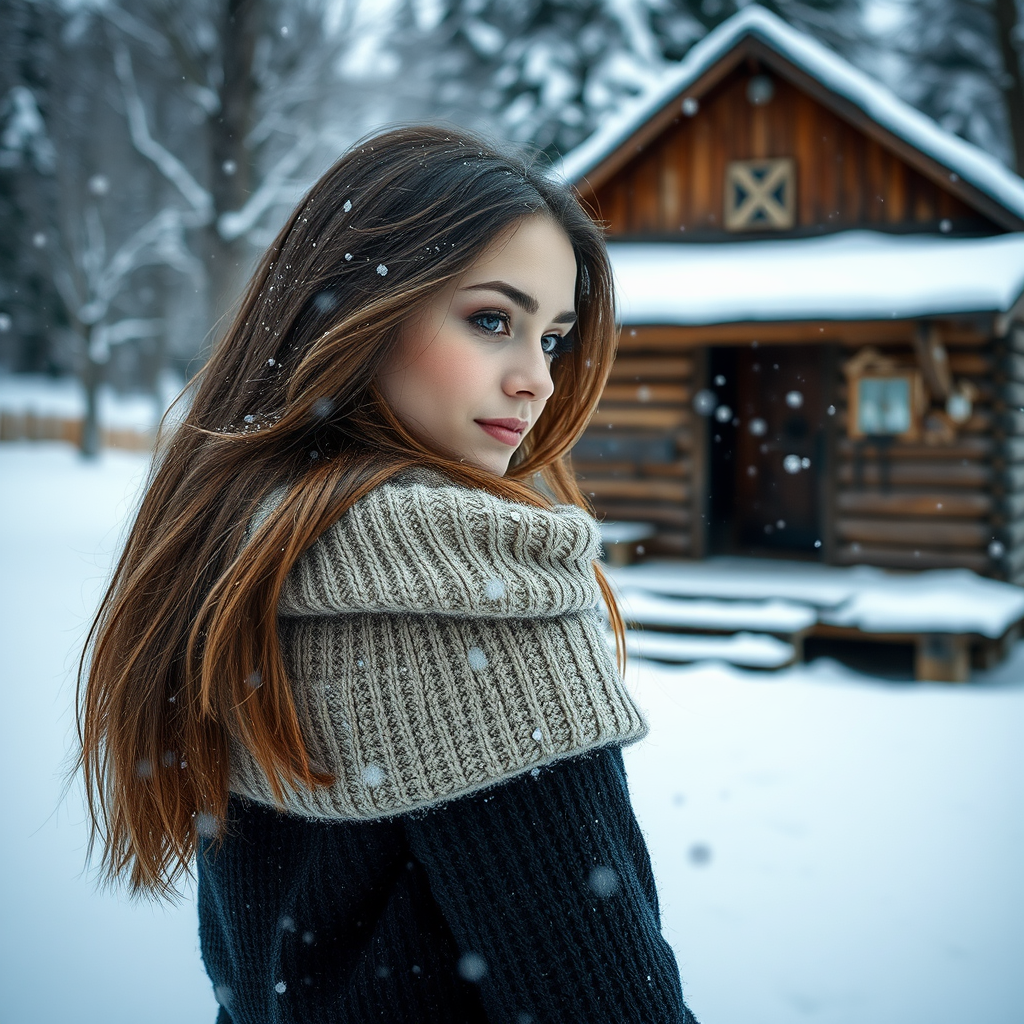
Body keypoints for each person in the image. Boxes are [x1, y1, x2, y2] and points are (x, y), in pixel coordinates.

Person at [77, 125, 700, 1023]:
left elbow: (258, 983)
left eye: (554, 339)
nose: (538, 381)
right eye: (493, 320)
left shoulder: (235, 560)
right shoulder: (483, 604)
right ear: (356, 315)